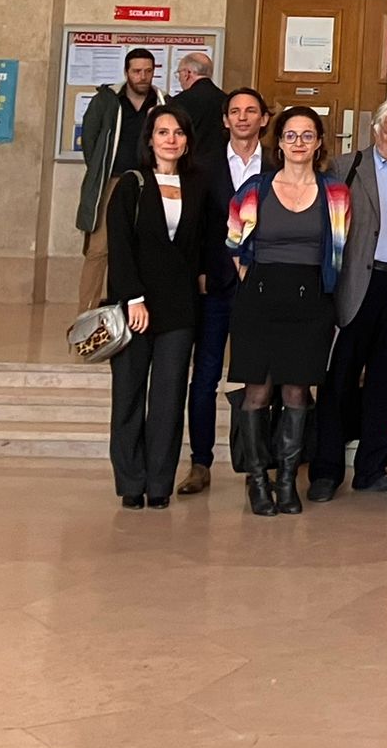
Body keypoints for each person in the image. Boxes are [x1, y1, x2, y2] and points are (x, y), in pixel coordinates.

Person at [225, 105, 352, 516]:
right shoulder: (255, 188)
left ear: (318, 144)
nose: (299, 143)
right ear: (278, 142)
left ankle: (286, 479)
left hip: (310, 301)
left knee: (298, 389)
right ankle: (257, 480)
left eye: (307, 136)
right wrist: (252, 281)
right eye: (291, 136)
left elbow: (340, 249)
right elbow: (233, 243)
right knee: (258, 391)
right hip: (259, 298)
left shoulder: (336, 193)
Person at [311, 98, 387, 502]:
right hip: (356, 286)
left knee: (386, 383)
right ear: (375, 132)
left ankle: (372, 469)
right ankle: (326, 472)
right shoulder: (346, 168)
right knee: (338, 381)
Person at [105, 104, 217, 509]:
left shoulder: (199, 185)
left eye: (179, 133)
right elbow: (119, 248)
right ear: (149, 139)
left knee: (168, 400)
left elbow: (204, 241)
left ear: (188, 141)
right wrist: (132, 297)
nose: (171, 139)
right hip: (135, 306)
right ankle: (131, 482)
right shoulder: (131, 185)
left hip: (180, 308)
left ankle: (158, 485)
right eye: (163, 132)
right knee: (130, 397)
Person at [178, 84, 268, 497]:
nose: (244, 117)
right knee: (206, 375)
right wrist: (198, 271)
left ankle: (256, 464)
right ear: (225, 119)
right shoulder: (203, 164)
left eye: (252, 110)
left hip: (264, 286)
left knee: (259, 376)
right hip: (215, 284)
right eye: (236, 111)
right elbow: (193, 226)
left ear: (264, 119)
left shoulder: (282, 166)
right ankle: (200, 463)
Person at [76, 47, 161, 308]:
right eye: (137, 71)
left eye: (148, 71)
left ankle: (134, 311)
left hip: (148, 184)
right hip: (111, 182)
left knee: (144, 249)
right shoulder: (107, 100)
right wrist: (101, 172)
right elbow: (90, 140)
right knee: (98, 250)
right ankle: (86, 318)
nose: (142, 76)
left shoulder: (162, 102)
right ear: (126, 73)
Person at [170, 51, 226, 161]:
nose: (180, 79)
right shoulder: (227, 99)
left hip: (189, 165)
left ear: (187, 74)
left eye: (179, 74)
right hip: (220, 164)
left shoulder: (179, 102)